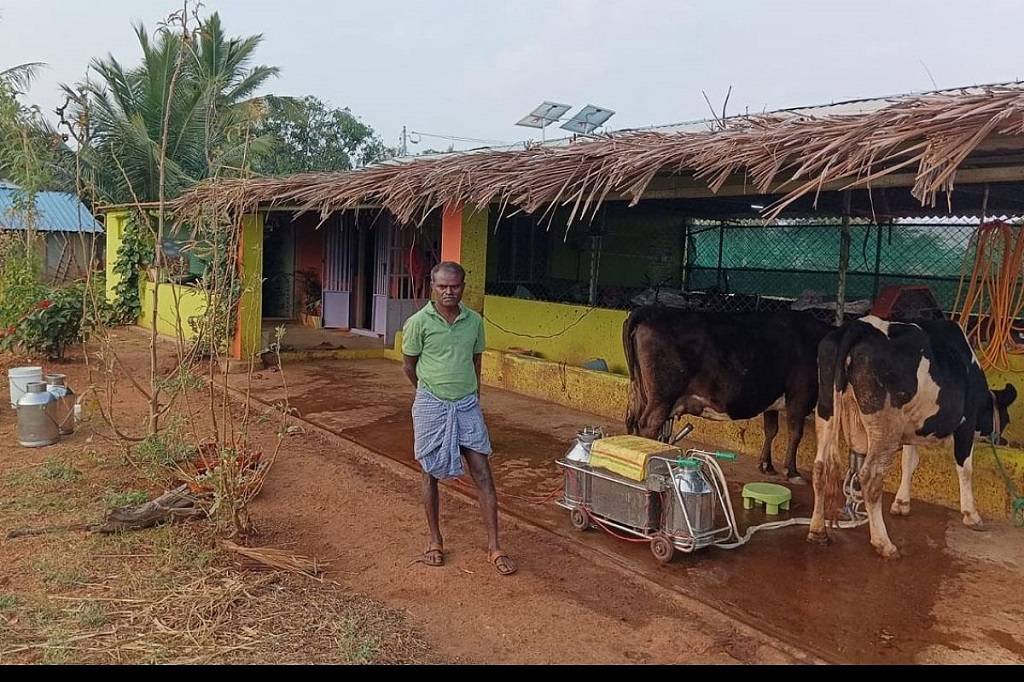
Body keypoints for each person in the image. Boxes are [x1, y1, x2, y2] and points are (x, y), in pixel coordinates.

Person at [401, 261, 517, 576]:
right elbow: (409, 366)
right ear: (432, 287)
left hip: (466, 405)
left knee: (483, 472)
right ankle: (434, 541)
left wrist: (473, 394)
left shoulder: (474, 322)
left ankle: (495, 547)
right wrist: (431, 394)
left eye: (454, 286)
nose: (449, 292)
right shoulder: (417, 323)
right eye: (442, 287)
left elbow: (475, 360)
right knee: (429, 473)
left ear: (463, 287)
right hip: (431, 405)